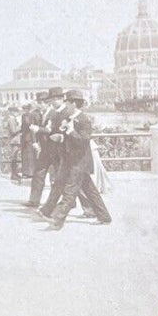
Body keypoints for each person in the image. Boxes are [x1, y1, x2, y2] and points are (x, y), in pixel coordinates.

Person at [41, 91, 112, 228]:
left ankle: (57, 220)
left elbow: (84, 141)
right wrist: (61, 137)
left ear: (73, 103)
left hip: (79, 161)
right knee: (89, 190)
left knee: (70, 190)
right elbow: (69, 139)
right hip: (69, 159)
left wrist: (70, 131)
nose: (65, 104)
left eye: (67, 102)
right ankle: (104, 216)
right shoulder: (70, 118)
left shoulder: (84, 119)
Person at [27, 87, 69, 208]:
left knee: (60, 175)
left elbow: (50, 130)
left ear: (47, 102)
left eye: (41, 103)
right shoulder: (40, 114)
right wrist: (35, 142)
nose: (40, 105)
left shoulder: (54, 113)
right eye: (39, 103)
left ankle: (69, 201)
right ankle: (34, 200)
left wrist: (38, 129)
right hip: (45, 149)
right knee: (38, 173)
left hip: (55, 150)